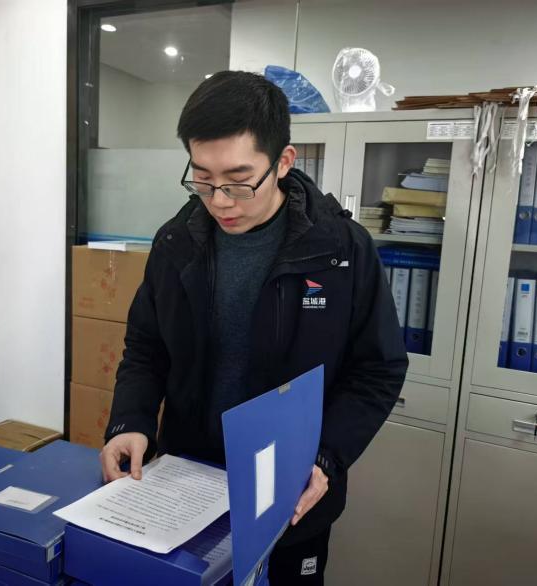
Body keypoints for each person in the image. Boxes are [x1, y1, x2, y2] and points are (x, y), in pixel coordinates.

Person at [100, 70, 408, 585]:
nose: (220, 200)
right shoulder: (177, 242)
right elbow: (147, 347)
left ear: (283, 162)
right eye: (202, 178)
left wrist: (327, 457)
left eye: (239, 181)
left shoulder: (341, 250)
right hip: (187, 484)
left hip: (289, 497)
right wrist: (130, 421)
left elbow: (378, 369)